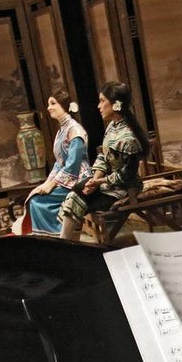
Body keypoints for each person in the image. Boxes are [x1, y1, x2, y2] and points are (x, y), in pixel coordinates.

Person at [59, 81, 147, 242]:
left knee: (78, 198)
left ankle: (65, 242)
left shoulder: (128, 136)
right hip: (107, 183)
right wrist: (94, 178)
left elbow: (128, 175)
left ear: (116, 104)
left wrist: (100, 182)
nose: (98, 106)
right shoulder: (112, 127)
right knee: (77, 190)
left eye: (102, 101)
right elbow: (103, 157)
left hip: (125, 189)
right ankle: (70, 242)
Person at [21, 90, 91, 235]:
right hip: (67, 178)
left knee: (37, 202)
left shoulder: (75, 130)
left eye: (53, 103)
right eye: (48, 104)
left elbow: (73, 165)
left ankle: (59, 237)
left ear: (64, 106)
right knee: (35, 197)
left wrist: (52, 184)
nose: (49, 108)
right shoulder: (62, 131)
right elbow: (59, 163)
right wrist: (47, 183)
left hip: (80, 180)